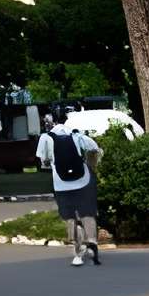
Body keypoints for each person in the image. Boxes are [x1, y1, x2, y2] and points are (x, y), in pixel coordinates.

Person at [37, 108, 105, 266]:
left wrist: (51, 162)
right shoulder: (75, 134)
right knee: (87, 214)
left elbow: (44, 161)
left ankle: (78, 253)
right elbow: (94, 148)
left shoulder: (46, 138)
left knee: (70, 218)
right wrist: (91, 165)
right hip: (82, 180)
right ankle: (92, 243)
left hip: (61, 184)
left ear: (51, 121)